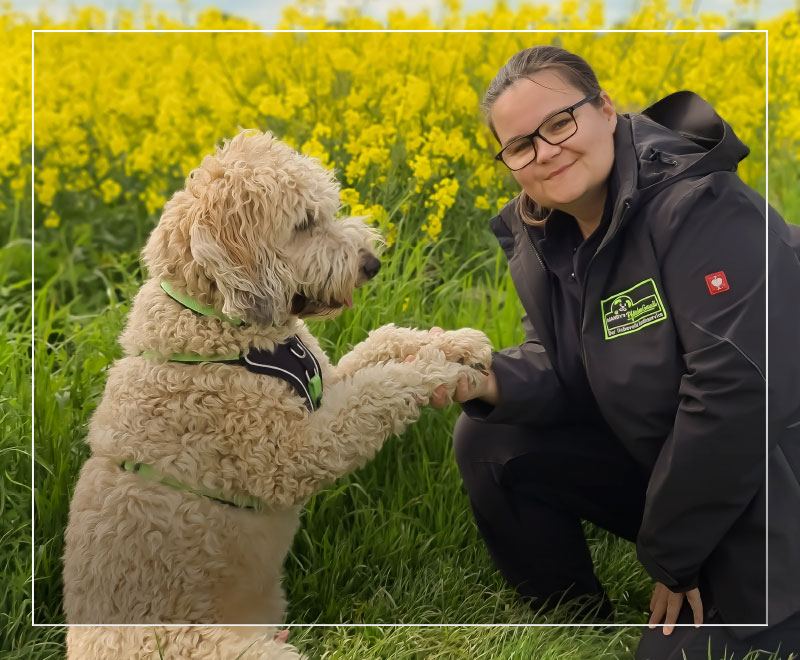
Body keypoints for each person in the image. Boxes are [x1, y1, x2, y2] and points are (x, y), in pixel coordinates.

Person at [426, 46, 800, 658]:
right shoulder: (548, 230)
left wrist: (672, 557)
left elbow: (738, 392)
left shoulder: (700, 206)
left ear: (604, 108)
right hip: (675, 463)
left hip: (772, 474)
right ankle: (577, 625)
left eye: (558, 122)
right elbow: (561, 361)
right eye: (520, 145)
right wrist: (487, 379)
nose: (545, 151)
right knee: (491, 438)